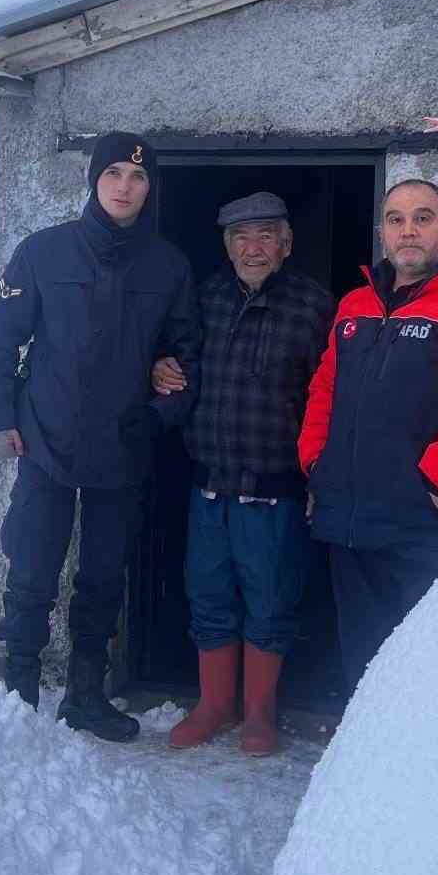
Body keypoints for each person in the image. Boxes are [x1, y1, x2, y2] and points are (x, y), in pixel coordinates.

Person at [0, 132, 199, 742]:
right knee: (32, 567)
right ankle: (18, 689)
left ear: (149, 189)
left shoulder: (168, 267)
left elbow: (187, 357)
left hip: (123, 443)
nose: (125, 186)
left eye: (138, 177)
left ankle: (85, 694)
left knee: (103, 575)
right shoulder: (43, 253)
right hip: (47, 437)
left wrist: (159, 410)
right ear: (95, 181)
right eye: (114, 173)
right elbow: (0, 341)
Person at [298, 178, 438, 693]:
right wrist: (317, 467)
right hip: (350, 523)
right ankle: (365, 746)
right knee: (363, 667)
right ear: (381, 232)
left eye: (423, 218)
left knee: (427, 674)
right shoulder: (355, 306)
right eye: (396, 219)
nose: (408, 231)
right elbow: (324, 392)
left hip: (426, 530)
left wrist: (428, 485)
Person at [151, 192, 334, 755]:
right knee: (207, 595)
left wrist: (322, 478)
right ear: (226, 246)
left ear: (286, 244)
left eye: (265, 236)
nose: (253, 248)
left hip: (275, 492)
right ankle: (215, 705)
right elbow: (173, 358)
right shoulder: (204, 299)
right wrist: (160, 367)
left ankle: (258, 714)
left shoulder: (315, 307)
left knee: (270, 602)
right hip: (208, 485)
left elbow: (333, 399)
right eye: (240, 237)